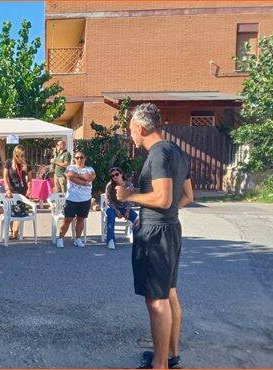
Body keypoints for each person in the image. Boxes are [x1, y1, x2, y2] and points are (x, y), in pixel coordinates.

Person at [115, 103, 192, 369]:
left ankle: (159, 364)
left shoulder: (158, 154)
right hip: (170, 229)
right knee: (169, 293)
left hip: (156, 235)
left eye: (131, 130)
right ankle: (171, 356)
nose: (131, 135)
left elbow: (162, 197)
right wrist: (161, 210)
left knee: (156, 300)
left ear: (142, 127)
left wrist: (128, 195)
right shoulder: (177, 152)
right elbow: (186, 197)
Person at [55, 151, 95, 248]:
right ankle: (60, 238)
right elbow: (70, 176)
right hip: (72, 199)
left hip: (85, 199)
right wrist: (84, 181)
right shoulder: (71, 167)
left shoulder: (90, 169)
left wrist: (79, 176)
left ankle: (77, 239)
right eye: (77, 158)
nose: (79, 159)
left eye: (81, 157)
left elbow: (90, 177)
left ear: (85, 158)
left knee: (81, 219)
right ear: (74, 159)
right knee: (67, 220)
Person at [104, 167, 139, 250]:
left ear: (121, 174)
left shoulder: (128, 184)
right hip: (113, 208)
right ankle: (111, 240)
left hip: (125, 207)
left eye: (116, 174)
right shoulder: (110, 185)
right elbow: (108, 200)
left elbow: (131, 198)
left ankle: (137, 240)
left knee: (137, 219)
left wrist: (127, 210)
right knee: (111, 217)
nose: (115, 177)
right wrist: (116, 211)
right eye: (113, 176)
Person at [3, 144, 32, 239]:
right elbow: (5, 176)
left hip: (22, 191)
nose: (21, 157)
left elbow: (30, 179)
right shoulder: (8, 162)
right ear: (15, 154)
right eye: (19, 155)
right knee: (11, 211)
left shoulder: (26, 163)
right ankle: (12, 231)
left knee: (20, 212)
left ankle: (15, 232)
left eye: (23, 155)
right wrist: (7, 189)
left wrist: (29, 188)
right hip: (11, 191)